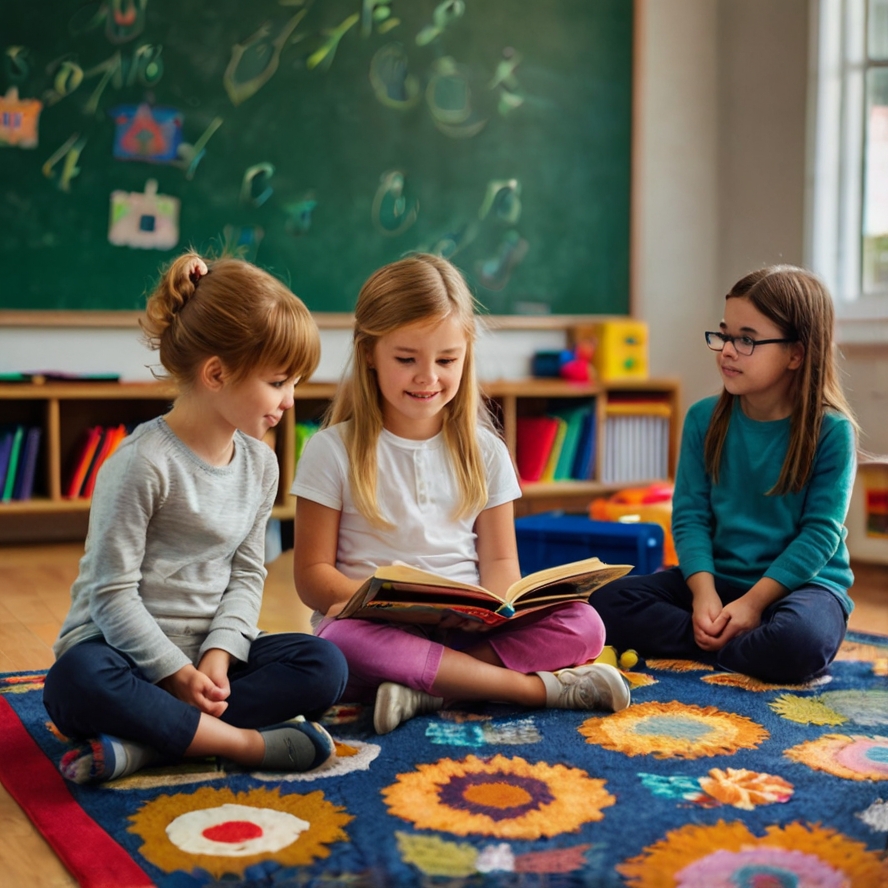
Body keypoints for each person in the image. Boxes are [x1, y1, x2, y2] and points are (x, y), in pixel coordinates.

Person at [291, 253, 629, 735]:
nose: (428, 377)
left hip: (464, 631)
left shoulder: (485, 451)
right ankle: (535, 689)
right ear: (369, 352)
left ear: (466, 353)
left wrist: (490, 607)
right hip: (375, 630)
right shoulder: (331, 450)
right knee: (338, 643)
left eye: (446, 360)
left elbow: (500, 567)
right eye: (406, 359)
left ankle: (429, 689)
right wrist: (377, 603)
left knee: (585, 624)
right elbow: (312, 578)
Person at [44, 251, 349, 784]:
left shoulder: (261, 464)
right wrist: (174, 673)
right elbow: (111, 594)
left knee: (325, 666)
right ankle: (241, 745)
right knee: (75, 681)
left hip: (209, 661)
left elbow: (248, 573)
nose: (290, 400)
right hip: (122, 656)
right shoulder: (140, 464)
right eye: (279, 382)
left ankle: (147, 748)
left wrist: (217, 655)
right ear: (215, 373)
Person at [593, 265, 859, 684]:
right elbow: (690, 517)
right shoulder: (703, 418)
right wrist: (703, 595)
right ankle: (727, 644)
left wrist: (753, 605)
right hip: (716, 582)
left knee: (799, 642)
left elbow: (820, 535)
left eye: (746, 340)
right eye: (725, 334)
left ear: (796, 353)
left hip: (801, 588)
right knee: (602, 604)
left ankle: (722, 643)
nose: (727, 351)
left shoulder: (832, 432)